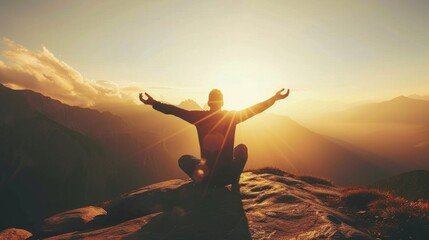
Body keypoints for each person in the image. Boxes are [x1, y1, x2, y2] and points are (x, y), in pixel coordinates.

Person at [139, 88, 290, 190]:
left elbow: (175, 111)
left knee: (184, 159)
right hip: (228, 175)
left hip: (208, 178)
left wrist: (154, 103)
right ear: (222, 103)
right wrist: (274, 98)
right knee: (242, 148)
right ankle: (235, 178)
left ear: (209, 102)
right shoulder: (231, 117)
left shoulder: (198, 117)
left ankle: (201, 183)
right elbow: (255, 109)